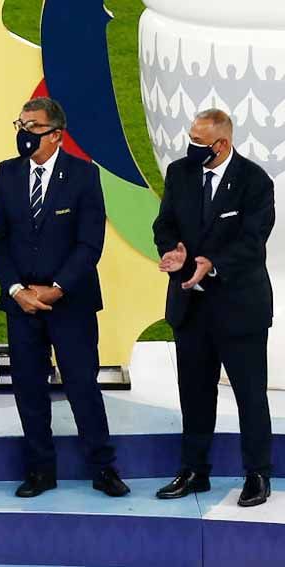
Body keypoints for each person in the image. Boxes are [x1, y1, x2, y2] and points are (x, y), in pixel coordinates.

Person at [0, 97, 129, 498]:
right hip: (21, 305)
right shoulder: (8, 173)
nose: (22, 133)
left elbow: (89, 243)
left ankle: (103, 467)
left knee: (82, 385)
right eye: (20, 124)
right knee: (29, 389)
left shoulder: (84, 176)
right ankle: (40, 470)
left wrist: (56, 288)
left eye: (31, 127)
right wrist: (16, 290)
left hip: (71, 303)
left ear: (55, 136)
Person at [153, 108, 274, 507]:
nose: (191, 146)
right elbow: (164, 224)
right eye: (190, 137)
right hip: (191, 307)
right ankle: (194, 471)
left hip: (239, 310)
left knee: (250, 396)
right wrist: (174, 253)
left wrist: (212, 263)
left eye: (199, 142)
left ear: (221, 144)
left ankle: (257, 474)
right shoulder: (180, 174)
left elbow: (252, 242)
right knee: (194, 394)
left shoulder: (254, 182)